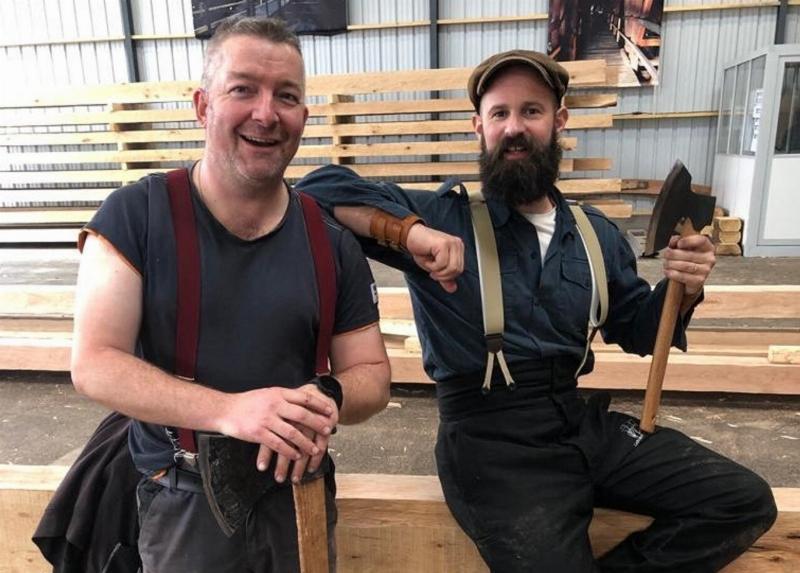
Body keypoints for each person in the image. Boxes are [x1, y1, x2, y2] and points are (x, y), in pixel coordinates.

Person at [295, 50, 777, 572]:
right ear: (478, 127)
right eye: (499, 114)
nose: (514, 128)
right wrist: (408, 232)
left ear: (558, 121)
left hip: (577, 421)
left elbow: (639, 330)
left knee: (741, 501)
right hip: (489, 445)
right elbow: (316, 193)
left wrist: (683, 287)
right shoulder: (444, 215)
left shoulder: (594, 234)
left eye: (531, 111)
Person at [70, 16, 391, 572]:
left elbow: (373, 375)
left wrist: (326, 399)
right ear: (203, 105)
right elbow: (95, 363)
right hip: (183, 502)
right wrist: (229, 411)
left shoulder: (330, 241)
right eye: (243, 89)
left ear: (303, 118)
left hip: (300, 498)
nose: (266, 114)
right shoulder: (136, 217)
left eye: (286, 96)